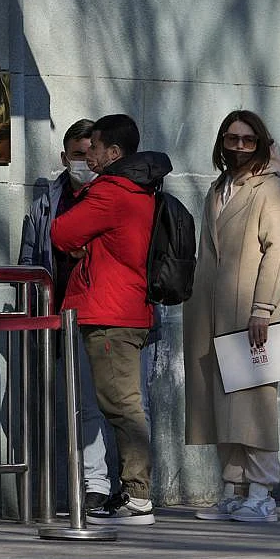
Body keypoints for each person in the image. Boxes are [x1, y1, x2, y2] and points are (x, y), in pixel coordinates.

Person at [51, 113, 171, 526]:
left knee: (121, 406)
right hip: (127, 309)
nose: (91, 155)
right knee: (121, 404)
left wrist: (84, 245)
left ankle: (137, 498)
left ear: (115, 152)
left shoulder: (112, 192)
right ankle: (132, 493)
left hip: (110, 312)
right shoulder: (140, 190)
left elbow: (62, 233)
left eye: (97, 147)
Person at [183, 109, 280, 523]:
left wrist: (263, 308)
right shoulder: (219, 187)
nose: (239, 146)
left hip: (251, 310)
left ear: (262, 143)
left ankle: (263, 492)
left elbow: (277, 252)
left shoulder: (270, 191)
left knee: (254, 401)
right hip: (210, 309)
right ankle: (232, 489)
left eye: (249, 140)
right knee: (220, 401)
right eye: (232, 138)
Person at [19, 118, 116, 509]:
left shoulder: (111, 196)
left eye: (90, 153)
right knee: (81, 404)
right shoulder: (46, 203)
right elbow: (28, 257)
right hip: (61, 315)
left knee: (113, 404)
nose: (85, 162)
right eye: (78, 154)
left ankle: (118, 484)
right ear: (64, 156)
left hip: (105, 313)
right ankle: (94, 485)